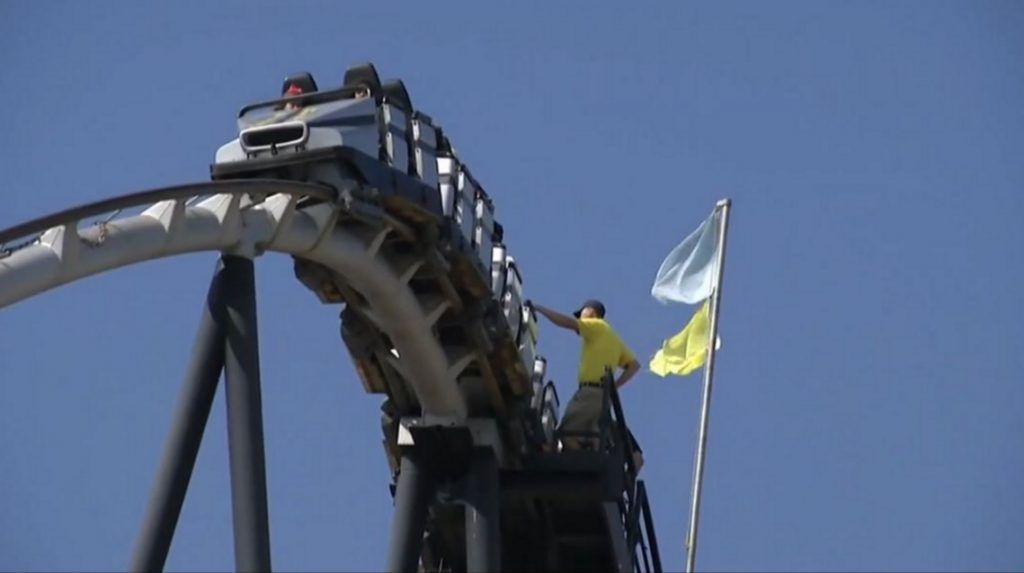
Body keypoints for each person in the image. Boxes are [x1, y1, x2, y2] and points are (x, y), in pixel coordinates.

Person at [530, 299, 641, 450]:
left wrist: (540, 308)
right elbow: (634, 365)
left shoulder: (597, 326)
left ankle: (584, 463)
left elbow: (567, 322)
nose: (579, 319)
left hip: (590, 393)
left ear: (591, 312)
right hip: (602, 397)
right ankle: (590, 460)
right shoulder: (612, 336)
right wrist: (614, 386)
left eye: (581, 314)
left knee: (565, 432)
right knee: (590, 436)